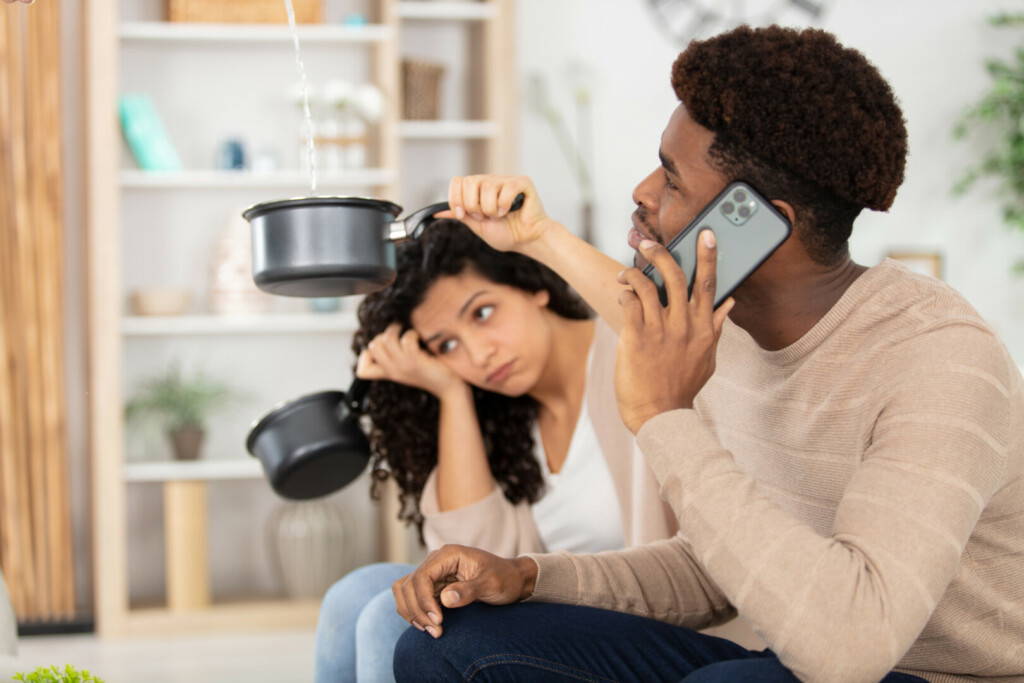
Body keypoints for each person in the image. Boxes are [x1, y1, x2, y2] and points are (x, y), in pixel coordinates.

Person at [390, 25, 1024, 683]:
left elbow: (850, 648)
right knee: (444, 645)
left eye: (669, 178)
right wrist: (525, 576)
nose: (641, 191)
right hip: (783, 661)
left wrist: (665, 419)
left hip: (932, 673)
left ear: (754, 221)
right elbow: (711, 567)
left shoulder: (939, 361)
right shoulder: (726, 328)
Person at [313, 219, 677, 682]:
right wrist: (451, 394)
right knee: (355, 596)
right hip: (557, 624)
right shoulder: (509, 421)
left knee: (389, 619)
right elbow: (473, 570)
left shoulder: (630, 353)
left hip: (649, 629)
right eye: (447, 345)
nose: (479, 354)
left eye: (482, 313)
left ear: (530, 285)